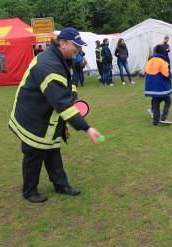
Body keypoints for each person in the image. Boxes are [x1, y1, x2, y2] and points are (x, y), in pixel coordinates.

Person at [8, 27, 103, 203]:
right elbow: (62, 104)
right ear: (63, 43)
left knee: (52, 151)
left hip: (46, 115)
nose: (79, 49)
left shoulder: (63, 59)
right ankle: (29, 191)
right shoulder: (49, 65)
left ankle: (60, 185)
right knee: (34, 154)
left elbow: (68, 86)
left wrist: (74, 99)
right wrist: (86, 128)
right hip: (33, 117)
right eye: (76, 46)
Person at [144, 45, 172, 125]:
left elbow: (146, 72)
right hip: (160, 87)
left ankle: (155, 121)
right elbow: (166, 74)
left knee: (156, 102)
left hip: (151, 87)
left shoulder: (149, 61)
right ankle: (163, 118)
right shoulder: (162, 62)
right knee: (168, 101)